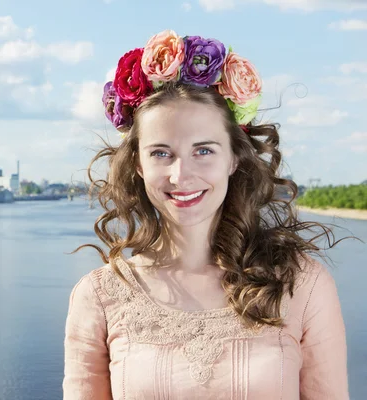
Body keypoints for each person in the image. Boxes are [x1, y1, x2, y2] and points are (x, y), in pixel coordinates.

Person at [63, 29, 349, 400]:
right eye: (161, 153)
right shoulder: (99, 296)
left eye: (204, 151)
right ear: (137, 164)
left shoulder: (304, 285)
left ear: (234, 158)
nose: (181, 176)